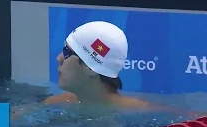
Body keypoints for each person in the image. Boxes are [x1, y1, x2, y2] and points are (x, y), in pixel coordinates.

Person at [10, 21, 202, 119]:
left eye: (67, 53)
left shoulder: (138, 111)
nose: (58, 58)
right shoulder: (59, 102)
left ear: (91, 68)